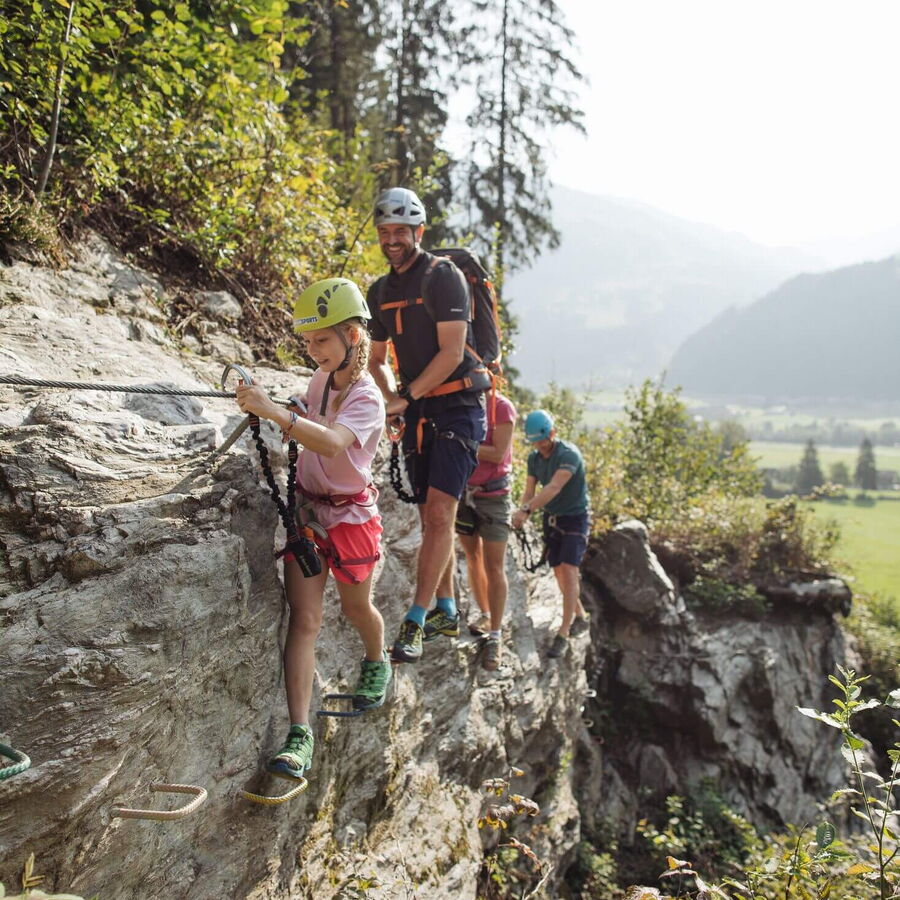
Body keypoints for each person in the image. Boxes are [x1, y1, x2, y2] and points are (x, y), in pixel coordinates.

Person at [236, 277, 390, 781]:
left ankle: (377, 658)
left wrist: (274, 412)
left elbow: (330, 444)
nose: (311, 350)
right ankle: (298, 733)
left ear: (351, 335)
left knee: (355, 606)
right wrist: (292, 410)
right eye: (307, 341)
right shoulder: (321, 381)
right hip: (309, 513)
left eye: (319, 340)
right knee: (305, 621)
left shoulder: (368, 396)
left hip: (350, 517)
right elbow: (313, 422)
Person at [366, 186, 488, 664]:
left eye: (401, 231)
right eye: (385, 232)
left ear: (418, 231)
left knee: (439, 515)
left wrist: (405, 398)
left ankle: (415, 621)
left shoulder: (443, 277)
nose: (393, 239)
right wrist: (392, 399)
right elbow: (376, 359)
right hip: (418, 411)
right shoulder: (379, 292)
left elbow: (453, 352)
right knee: (429, 518)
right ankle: (447, 607)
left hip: (459, 405)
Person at [434, 392, 517, 670]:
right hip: (464, 492)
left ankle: (495, 634)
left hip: (494, 496)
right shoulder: (460, 405)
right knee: (472, 556)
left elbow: (497, 452)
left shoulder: (502, 408)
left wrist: (458, 441)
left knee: (494, 566)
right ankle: (483, 613)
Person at [511, 409, 591, 658]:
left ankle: (564, 633)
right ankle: (580, 615)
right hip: (553, 519)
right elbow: (530, 489)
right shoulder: (534, 459)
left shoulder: (569, 455)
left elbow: (554, 487)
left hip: (575, 519)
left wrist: (527, 508)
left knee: (568, 570)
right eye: (535, 442)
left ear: (553, 434)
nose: (540, 446)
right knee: (557, 570)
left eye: (543, 441)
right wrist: (524, 512)